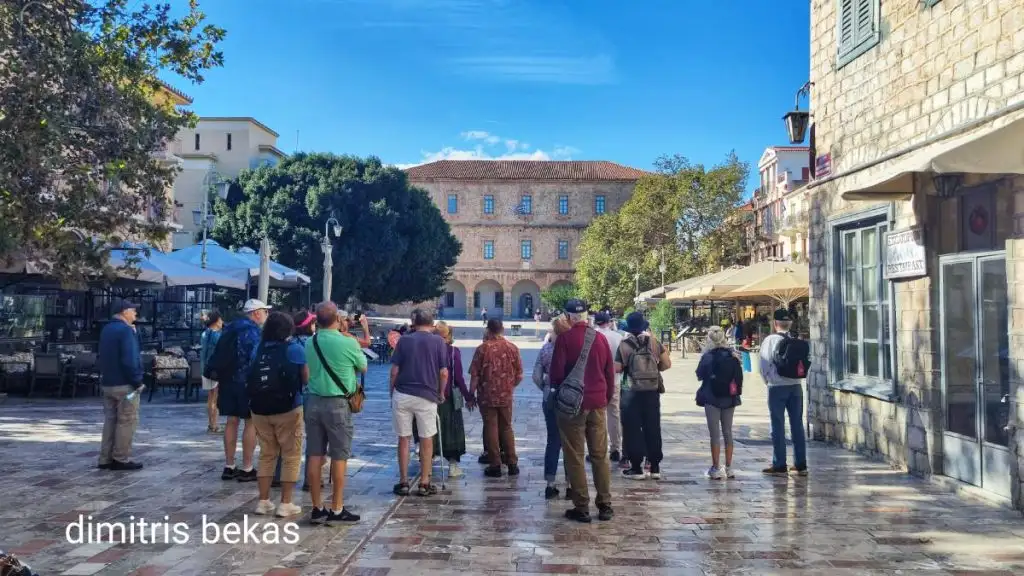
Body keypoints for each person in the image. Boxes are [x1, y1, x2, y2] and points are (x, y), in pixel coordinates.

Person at [550, 299, 615, 523]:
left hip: (572, 406)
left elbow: (556, 374)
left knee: (574, 455)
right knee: (600, 455)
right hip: (597, 403)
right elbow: (609, 373)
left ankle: (582, 506)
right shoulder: (600, 339)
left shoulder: (564, 340)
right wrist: (605, 398)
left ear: (568, 317)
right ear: (587, 316)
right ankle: (605, 504)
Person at [305, 302, 367, 524]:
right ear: (338, 319)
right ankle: (337, 508)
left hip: (313, 401)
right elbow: (363, 366)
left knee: (314, 454)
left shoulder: (310, 342)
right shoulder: (347, 342)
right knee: (339, 455)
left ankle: (316, 507)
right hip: (338, 404)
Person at [250, 312, 307, 518]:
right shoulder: (295, 349)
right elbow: (305, 378)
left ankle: (263, 501)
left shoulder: (257, 348)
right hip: (288, 408)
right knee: (291, 455)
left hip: (259, 408)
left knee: (267, 454)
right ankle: (286, 503)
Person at [389, 308, 447, 497]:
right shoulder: (438, 341)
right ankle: (424, 482)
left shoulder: (404, 340)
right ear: (432, 324)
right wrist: (441, 392)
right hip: (427, 395)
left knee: (403, 438)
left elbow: (394, 370)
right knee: (426, 438)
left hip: (403, 393)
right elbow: (443, 372)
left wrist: (391, 391)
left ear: (414, 323)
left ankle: (403, 481)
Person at [215, 299, 270, 482]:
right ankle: (247, 467)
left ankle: (229, 465)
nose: (266, 315)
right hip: (246, 382)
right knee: (250, 422)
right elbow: (255, 358)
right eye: (265, 311)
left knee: (231, 421)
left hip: (227, 381)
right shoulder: (253, 331)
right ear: (256, 313)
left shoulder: (229, 328)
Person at [615, 311, 671, 481]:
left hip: (631, 392)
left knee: (632, 429)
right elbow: (667, 364)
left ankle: (636, 467)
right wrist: (653, 369)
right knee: (653, 427)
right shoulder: (654, 342)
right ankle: (654, 466)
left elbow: (617, 368)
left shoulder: (624, 345)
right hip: (652, 391)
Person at [469, 318, 523, 478]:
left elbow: (474, 376)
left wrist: (471, 394)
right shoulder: (512, 348)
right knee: (506, 426)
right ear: (502, 329)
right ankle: (512, 462)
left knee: (490, 427)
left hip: (486, 395)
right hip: (505, 395)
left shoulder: (482, 349)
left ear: (488, 330)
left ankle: (495, 464)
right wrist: (509, 386)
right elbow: (520, 375)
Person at [759, 309, 808, 476]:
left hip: (777, 386)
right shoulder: (797, 339)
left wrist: (768, 381)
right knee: (797, 425)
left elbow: (764, 365)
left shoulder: (770, 340)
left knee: (777, 425)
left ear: (775, 324)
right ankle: (800, 463)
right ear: (790, 324)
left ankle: (779, 463)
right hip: (796, 386)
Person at [97, 298, 144, 471]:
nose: (135, 313)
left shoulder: (106, 329)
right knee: (126, 421)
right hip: (125, 385)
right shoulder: (126, 331)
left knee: (110, 421)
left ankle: (105, 458)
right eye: (133, 310)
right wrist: (137, 381)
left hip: (108, 383)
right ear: (124, 311)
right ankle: (121, 458)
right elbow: (130, 358)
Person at [272, 311, 316, 490]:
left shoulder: (287, 343)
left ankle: (278, 474)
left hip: (289, 394)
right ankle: (310, 479)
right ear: (308, 325)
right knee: (313, 437)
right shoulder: (311, 343)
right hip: (310, 392)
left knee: (284, 437)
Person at [695, 326, 742, 480]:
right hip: (729, 397)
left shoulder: (707, 357)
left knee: (714, 434)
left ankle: (715, 468)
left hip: (711, 397)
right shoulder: (733, 356)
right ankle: (729, 468)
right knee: (728, 432)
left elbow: (699, 375)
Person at [533, 315, 571, 499]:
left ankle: (550, 483)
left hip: (551, 396)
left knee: (553, 440)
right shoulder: (574, 349)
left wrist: (545, 388)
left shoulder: (546, 349)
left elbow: (536, 376)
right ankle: (571, 484)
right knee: (571, 442)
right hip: (571, 398)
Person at [430, 321, 474, 478]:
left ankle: (428, 465)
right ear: (449, 335)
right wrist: (468, 397)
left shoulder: (428, 350)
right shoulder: (453, 352)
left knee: (430, 430)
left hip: (429, 396)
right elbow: (459, 378)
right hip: (448, 398)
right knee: (452, 431)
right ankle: (453, 466)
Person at [593, 312, 624, 464]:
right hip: (614, 380)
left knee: (597, 416)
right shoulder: (617, 337)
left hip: (595, 381)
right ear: (609, 322)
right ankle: (616, 448)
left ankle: (598, 449)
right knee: (614, 414)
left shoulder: (591, 336)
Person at [200, 311, 223, 434]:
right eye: (220, 320)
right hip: (216, 369)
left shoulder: (205, 334)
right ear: (216, 321)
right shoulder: (217, 336)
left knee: (210, 397)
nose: (222, 322)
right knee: (215, 398)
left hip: (206, 368)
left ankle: (211, 424)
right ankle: (215, 424)